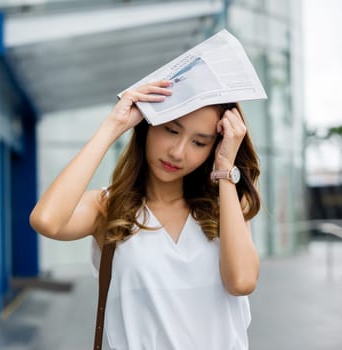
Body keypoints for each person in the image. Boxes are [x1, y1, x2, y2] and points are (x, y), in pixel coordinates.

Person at [30, 80, 261, 349]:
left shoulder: (228, 203)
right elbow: (46, 221)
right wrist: (112, 127)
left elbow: (242, 282)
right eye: (171, 130)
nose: (177, 152)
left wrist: (224, 169)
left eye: (199, 142)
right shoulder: (107, 207)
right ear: (148, 126)